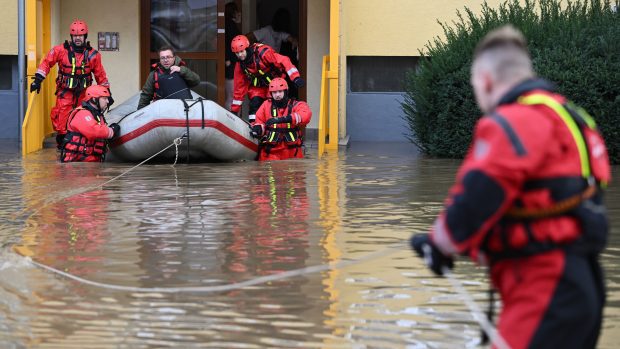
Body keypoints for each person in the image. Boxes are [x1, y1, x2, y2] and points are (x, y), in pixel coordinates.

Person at [410, 25, 610, 349]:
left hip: (544, 290)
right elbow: (533, 209)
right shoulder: (572, 119)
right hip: (582, 286)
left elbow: (477, 196)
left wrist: (439, 244)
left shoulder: (513, 121)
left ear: (486, 81)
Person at [30, 19, 110, 148]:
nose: (78, 38)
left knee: (84, 116)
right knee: (62, 118)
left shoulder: (93, 55)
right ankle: (63, 146)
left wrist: (107, 94)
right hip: (65, 91)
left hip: (84, 94)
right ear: (71, 36)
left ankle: (81, 145)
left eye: (80, 35)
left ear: (85, 36)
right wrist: (38, 80)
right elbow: (47, 63)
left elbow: (101, 76)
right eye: (75, 35)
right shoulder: (60, 50)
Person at [230, 34, 304, 124]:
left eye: (242, 51)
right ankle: (255, 127)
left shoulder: (263, 53)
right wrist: (234, 110)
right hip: (257, 87)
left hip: (275, 84)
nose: (240, 55)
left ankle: (274, 127)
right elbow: (239, 87)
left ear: (247, 47)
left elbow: (284, 60)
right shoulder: (240, 65)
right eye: (237, 53)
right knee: (254, 104)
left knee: (273, 105)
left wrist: (295, 77)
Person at [252, 78, 311, 161]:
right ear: (271, 93)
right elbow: (259, 121)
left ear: (285, 91)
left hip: (293, 152)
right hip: (271, 152)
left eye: (280, 91)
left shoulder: (296, 105)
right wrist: (258, 128)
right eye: (274, 92)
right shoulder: (266, 105)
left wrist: (283, 119)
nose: (277, 95)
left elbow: (306, 115)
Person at [60, 85, 120, 163]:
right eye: (104, 98)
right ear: (94, 99)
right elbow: (94, 131)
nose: (108, 101)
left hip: (90, 161)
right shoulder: (82, 113)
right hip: (77, 163)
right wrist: (111, 131)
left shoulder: (97, 115)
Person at [224, 2, 242, 110]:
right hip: (230, 64)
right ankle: (231, 120)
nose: (239, 13)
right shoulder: (229, 25)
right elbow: (225, 43)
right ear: (233, 12)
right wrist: (227, 58)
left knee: (231, 96)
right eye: (237, 11)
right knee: (231, 96)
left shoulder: (228, 24)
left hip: (230, 62)